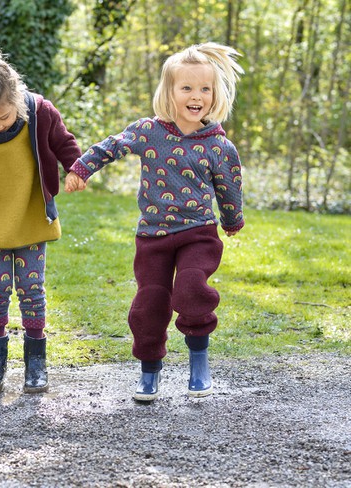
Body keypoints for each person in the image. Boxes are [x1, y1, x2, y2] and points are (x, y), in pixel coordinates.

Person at [65, 42, 245, 401]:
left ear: (214, 94)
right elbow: (111, 146)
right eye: (187, 88)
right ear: (170, 92)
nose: (197, 96)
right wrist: (82, 168)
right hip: (153, 236)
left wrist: (232, 220)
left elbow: (229, 186)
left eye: (205, 89)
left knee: (192, 288)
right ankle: (149, 372)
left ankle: (199, 364)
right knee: (149, 303)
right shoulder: (149, 131)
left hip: (198, 234)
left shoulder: (219, 146)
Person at [0, 40, 81, 394]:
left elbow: (65, 144)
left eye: (4, 117)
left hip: (30, 215)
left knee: (31, 289)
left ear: (17, 98)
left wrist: (76, 169)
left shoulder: (40, 111)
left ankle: (35, 363)